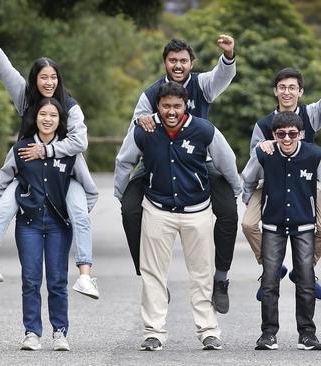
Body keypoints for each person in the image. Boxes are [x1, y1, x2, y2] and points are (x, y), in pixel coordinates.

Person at [0, 21, 99, 299]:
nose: (48, 82)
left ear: (59, 79)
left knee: (80, 216)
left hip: (65, 174)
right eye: (43, 77)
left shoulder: (70, 107)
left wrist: (46, 151)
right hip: (27, 174)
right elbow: (6, 72)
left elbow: (80, 142)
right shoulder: (25, 99)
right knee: (1, 211)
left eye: (53, 77)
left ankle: (86, 276)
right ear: (35, 80)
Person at [114, 82, 241, 351]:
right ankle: (154, 332)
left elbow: (226, 161)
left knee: (202, 273)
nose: (171, 111)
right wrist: (120, 192)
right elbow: (124, 161)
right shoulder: (144, 130)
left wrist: (237, 189)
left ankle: (208, 330)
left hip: (197, 210)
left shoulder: (204, 130)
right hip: (157, 209)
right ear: (158, 106)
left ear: (185, 106)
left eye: (176, 106)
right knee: (153, 273)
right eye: (166, 106)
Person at [122, 36, 238, 313]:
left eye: (183, 61)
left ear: (191, 63)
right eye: (172, 60)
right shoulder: (151, 94)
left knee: (228, 211)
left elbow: (222, 75)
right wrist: (142, 119)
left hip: (200, 161)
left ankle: (220, 279)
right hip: (157, 162)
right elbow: (134, 128)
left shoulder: (202, 85)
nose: (178, 65)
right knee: (128, 210)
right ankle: (150, 279)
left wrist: (229, 55)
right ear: (165, 62)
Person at [243, 50, 321, 301]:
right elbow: (252, 160)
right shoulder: (264, 124)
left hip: (305, 184)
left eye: (292, 87)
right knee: (247, 224)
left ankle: (304, 270)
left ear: (300, 92)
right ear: (275, 91)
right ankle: (271, 267)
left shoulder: (310, 115)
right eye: (282, 87)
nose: (287, 92)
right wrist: (260, 148)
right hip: (270, 184)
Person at [0, 97, 91, 351]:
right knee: (30, 279)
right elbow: (4, 181)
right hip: (29, 224)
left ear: (60, 122)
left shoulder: (70, 152)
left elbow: (88, 189)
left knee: (58, 280)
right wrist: (9, 205)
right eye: (42, 114)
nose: (47, 119)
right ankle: (31, 332)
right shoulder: (21, 149)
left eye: (53, 115)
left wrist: (77, 213)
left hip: (60, 225)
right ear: (35, 118)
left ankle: (60, 332)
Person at [242, 112, 321, 351]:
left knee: (306, 280)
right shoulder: (264, 154)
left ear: (301, 134)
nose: (287, 138)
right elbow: (248, 179)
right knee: (269, 280)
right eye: (281, 134)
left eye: (293, 134)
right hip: (273, 224)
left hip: (304, 224)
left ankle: (307, 333)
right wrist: (251, 201)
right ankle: (268, 334)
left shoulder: (314, 154)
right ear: (274, 135)